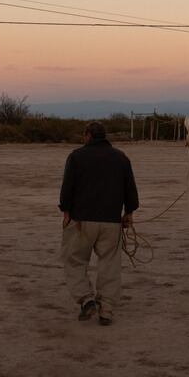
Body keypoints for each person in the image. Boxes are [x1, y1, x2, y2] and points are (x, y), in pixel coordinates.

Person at [58, 121, 139, 326]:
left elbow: (67, 188)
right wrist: (128, 212)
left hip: (81, 220)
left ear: (87, 136)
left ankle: (86, 299)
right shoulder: (121, 158)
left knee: (74, 260)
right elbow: (130, 190)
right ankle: (107, 310)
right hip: (111, 221)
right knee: (110, 264)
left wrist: (66, 211)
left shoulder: (76, 156)